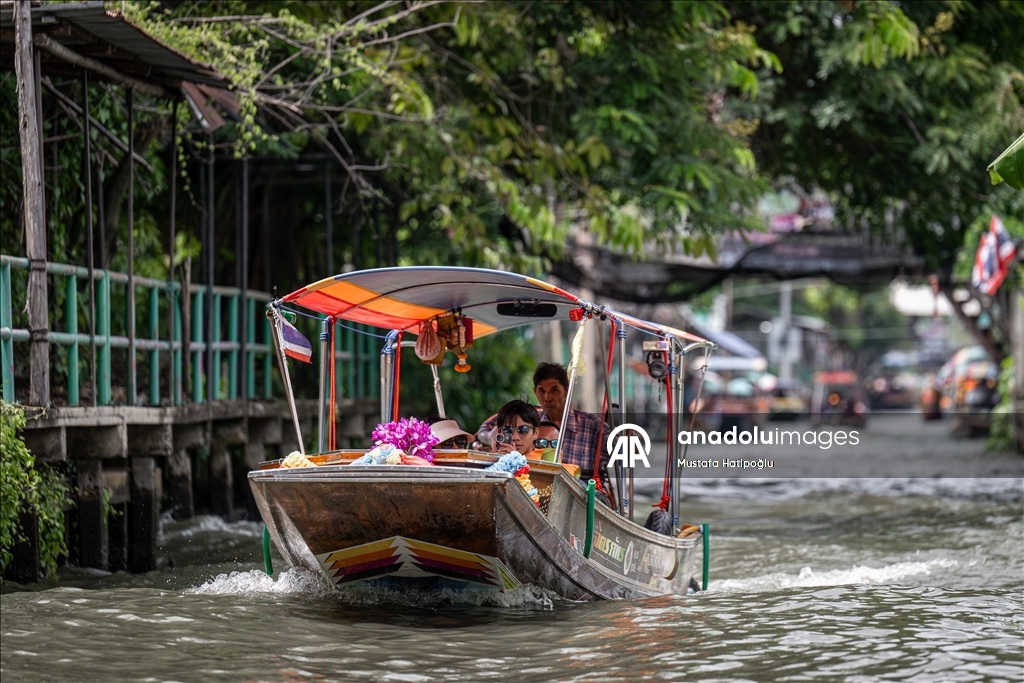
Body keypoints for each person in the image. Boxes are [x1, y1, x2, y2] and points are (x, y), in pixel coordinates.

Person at [478, 363, 610, 480]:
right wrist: (500, 443)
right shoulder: (529, 414)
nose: (547, 398)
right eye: (542, 391)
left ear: (567, 390)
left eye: (554, 390)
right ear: (535, 391)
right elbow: (485, 429)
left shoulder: (592, 425)